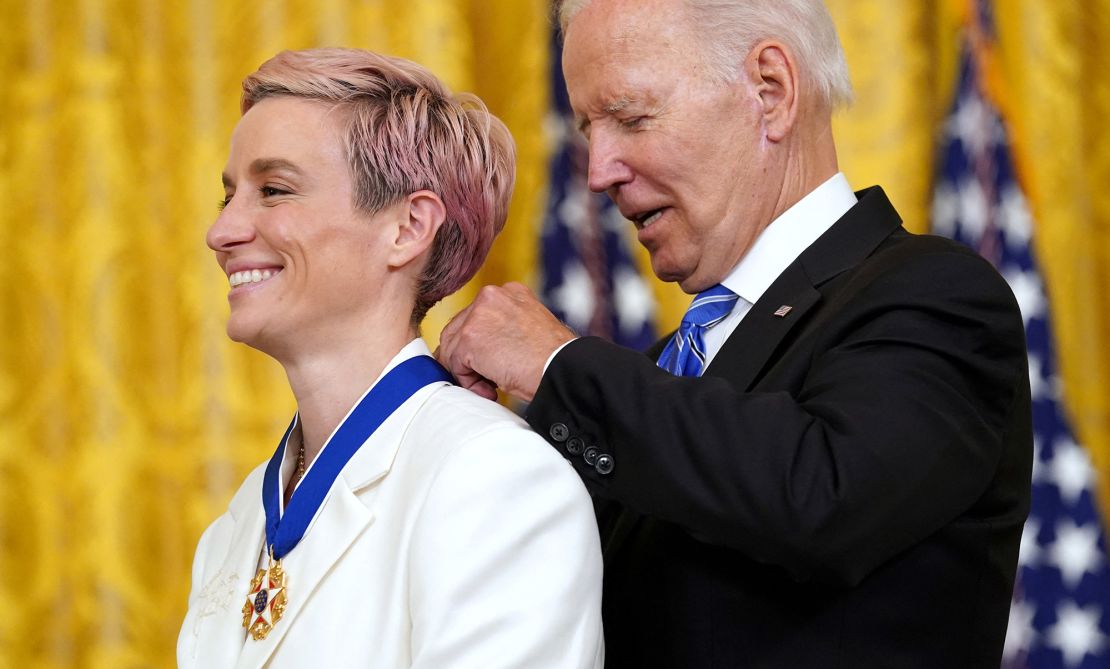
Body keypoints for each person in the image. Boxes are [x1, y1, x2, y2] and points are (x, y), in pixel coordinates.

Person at [436, 0, 1032, 666]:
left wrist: (556, 362)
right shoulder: (662, 377)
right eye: (588, 131)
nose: (599, 170)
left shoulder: (934, 296)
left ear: (770, 90)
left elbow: (822, 497)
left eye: (631, 117)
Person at [177, 48, 604, 669]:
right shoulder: (236, 525)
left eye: (273, 190)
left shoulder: (495, 478)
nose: (223, 232)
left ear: (407, 227)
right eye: (228, 197)